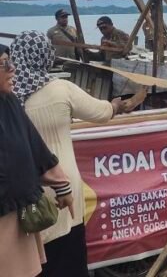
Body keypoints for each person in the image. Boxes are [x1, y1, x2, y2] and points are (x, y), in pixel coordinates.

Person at [11, 31, 137, 277]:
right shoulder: (60, 89)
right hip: (63, 185)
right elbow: (100, 112)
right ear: (46, 55)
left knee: (33, 255)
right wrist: (116, 105)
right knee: (67, 249)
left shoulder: (7, 97)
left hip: (25, 189)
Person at [0, 44, 74, 277]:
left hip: (12, 212)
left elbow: (32, 146)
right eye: (3, 64)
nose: (12, 69)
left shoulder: (8, 102)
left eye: (10, 61)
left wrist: (61, 185)